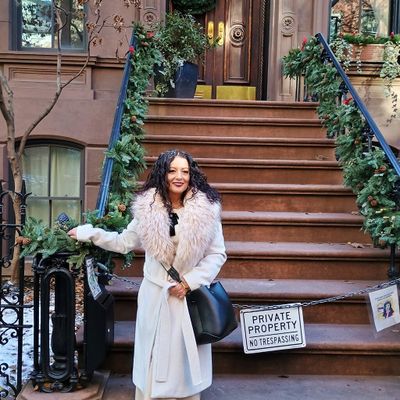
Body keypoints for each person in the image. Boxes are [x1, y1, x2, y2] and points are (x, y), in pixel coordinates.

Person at [68, 149, 227, 400]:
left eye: (185, 171)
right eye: (172, 170)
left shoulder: (206, 211)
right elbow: (123, 242)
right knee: (152, 358)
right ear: (163, 173)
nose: (179, 177)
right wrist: (89, 233)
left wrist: (190, 281)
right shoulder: (148, 209)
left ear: (191, 176)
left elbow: (217, 254)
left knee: (182, 364)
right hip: (155, 297)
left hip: (186, 298)